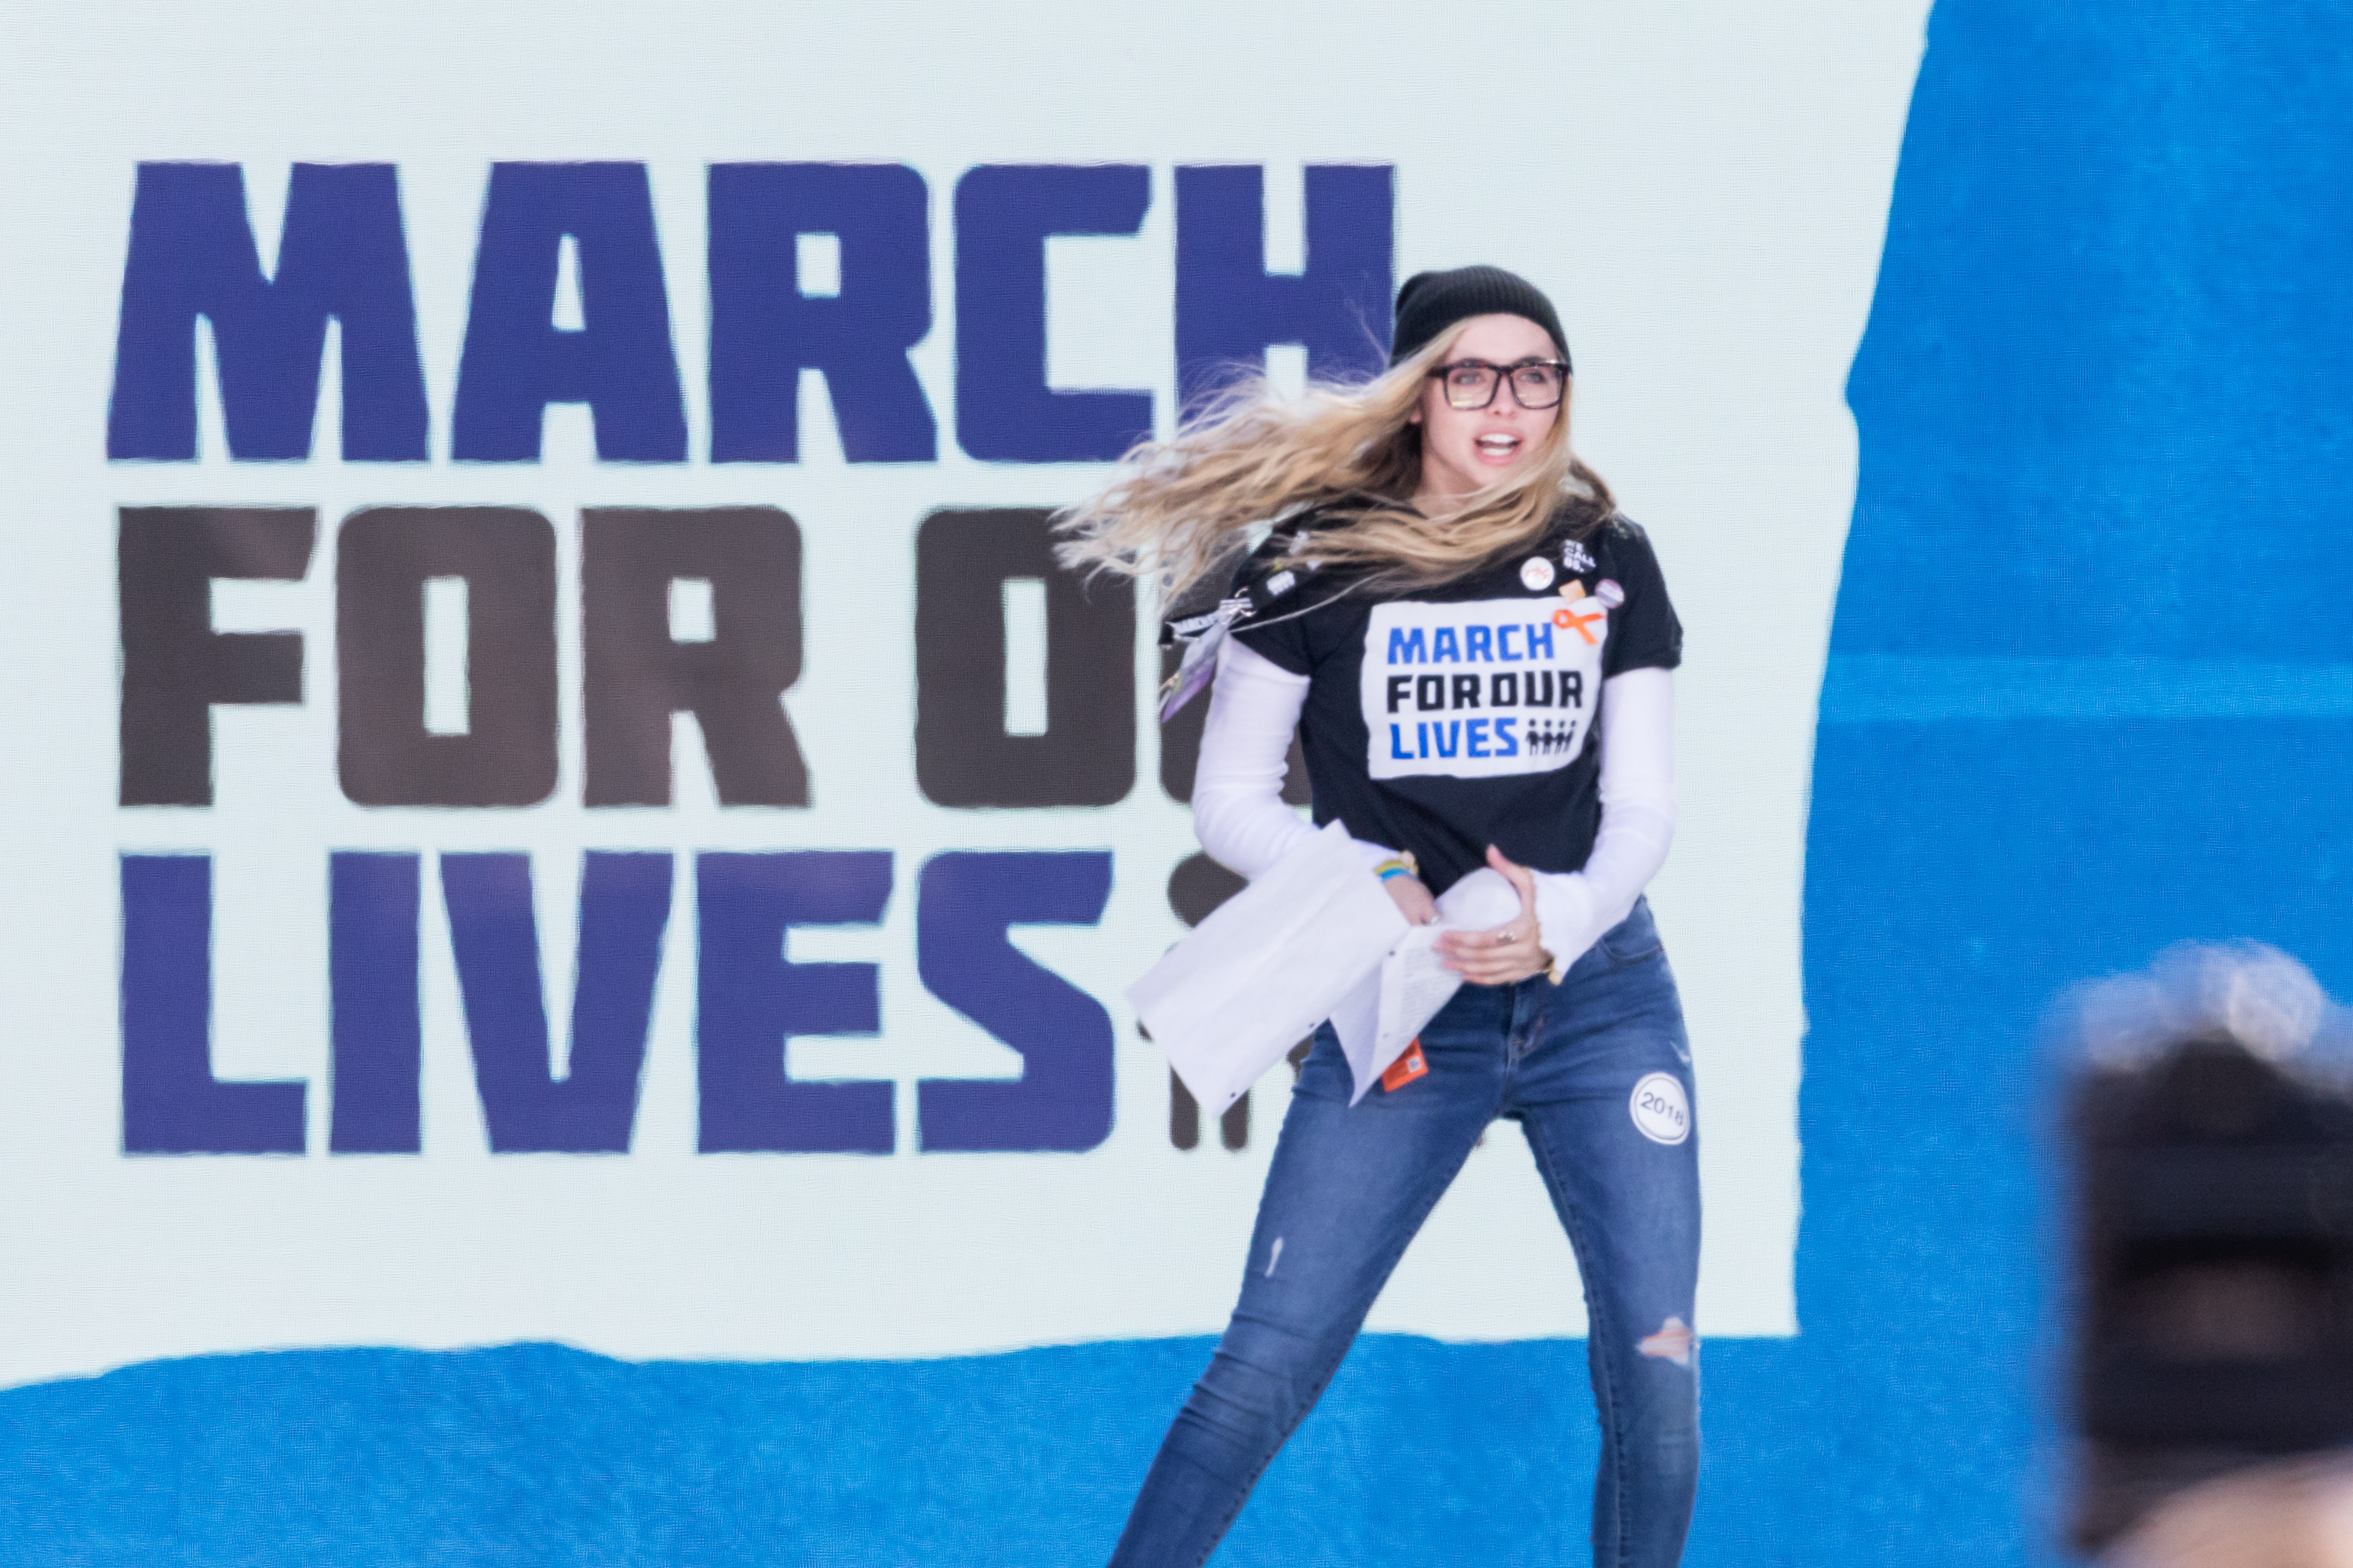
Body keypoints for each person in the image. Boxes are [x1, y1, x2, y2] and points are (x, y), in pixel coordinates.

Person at [1060, 264, 1698, 1567]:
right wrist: (1354, 874)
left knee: (1660, 1380)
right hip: (1409, 1009)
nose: (1508, 405)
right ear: (1417, 396)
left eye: (1537, 377)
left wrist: (1569, 914)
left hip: (1598, 1002)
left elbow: (1642, 809)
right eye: (1474, 376)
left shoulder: (1606, 557)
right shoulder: (1315, 565)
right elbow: (1229, 803)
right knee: (1263, 1370)